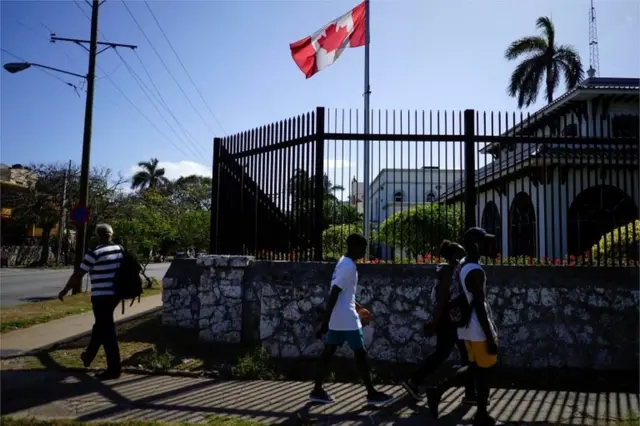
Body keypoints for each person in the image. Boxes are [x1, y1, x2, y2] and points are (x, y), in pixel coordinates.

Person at [310, 233, 392, 406]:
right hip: (346, 318)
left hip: (339, 317)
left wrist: (359, 308)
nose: (364, 251)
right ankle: (371, 393)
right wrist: (326, 320)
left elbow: (343, 293)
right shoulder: (348, 266)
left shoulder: (343, 262)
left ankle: (317, 390)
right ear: (354, 246)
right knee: (360, 355)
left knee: (327, 354)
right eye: (363, 247)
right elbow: (335, 292)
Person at [402, 240, 476, 410]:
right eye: (461, 253)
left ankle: (470, 394)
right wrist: (434, 322)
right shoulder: (449, 273)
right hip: (449, 321)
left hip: (452, 320)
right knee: (450, 354)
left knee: (461, 354)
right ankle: (414, 381)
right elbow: (442, 301)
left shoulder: (452, 271)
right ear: (454, 257)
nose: (464, 256)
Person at [58, 224, 131, 380]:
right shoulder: (120, 249)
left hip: (101, 296)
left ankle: (114, 369)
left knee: (107, 332)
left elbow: (79, 274)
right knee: (101, 326)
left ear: (97, 235)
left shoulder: (94, 253)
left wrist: (65, 290)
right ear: (112, 234)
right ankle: (88, 356)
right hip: (114, 296)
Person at [456, 227, 499, 426]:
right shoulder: (475, 270)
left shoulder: (464, 265)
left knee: (475, 368)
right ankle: (481, 415)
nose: (487, 245)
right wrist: (490, 336)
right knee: (485, 371)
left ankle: (437, 390)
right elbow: (480, 306)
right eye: (483, 241)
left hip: (468, 328)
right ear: (474, 244)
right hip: (478, 328)